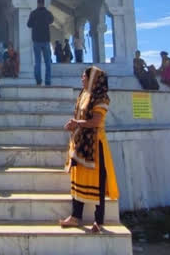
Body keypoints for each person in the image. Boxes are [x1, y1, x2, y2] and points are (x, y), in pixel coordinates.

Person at [59, 66, 119, 233]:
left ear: (93, 79)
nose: (82, 79)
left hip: (95, 145)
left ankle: (98, 221)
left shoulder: (101, 98)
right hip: (80, 143)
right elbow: (80, 117)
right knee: (77, 179)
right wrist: (74, 125)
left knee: (98, 183)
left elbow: (96, 122)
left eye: (84, 76)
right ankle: (75, 216)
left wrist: (76, 123)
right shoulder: (83, 94)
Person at [27, 0, 54, 86]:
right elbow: (51, 21)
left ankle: (38, 81)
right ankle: (48, 81)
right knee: (47, 62)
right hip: (46, 40)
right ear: (43, 3)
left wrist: (36, 23)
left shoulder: (33, 13)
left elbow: (29, 24)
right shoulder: (48, 13)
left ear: (38, 3)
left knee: (37, 62)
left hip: (37, 41)